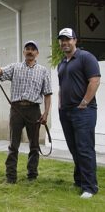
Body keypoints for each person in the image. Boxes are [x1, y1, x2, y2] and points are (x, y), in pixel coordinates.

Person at [0, 41, 52, 184]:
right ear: (24, 52)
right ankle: (10, 177)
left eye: (33, 49)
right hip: (16, 109)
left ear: (37, 53)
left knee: (34, 145)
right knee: (13, 144)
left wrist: (46, 113)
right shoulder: (15, 67)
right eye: (27, 49)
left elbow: (48, 94)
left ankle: (32, 175)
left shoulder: (43, 71)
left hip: (34, 110)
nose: (30, 51)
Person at [57, 28, 101, 199]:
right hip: (66, 112)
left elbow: (95, 81)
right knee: (74, 148)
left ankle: (90, 187)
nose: (64, 42)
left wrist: (84, 102)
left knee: (84, 148)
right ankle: (80, 180)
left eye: (68, 39)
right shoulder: (62, 63)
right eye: (62, 40)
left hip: (83, 111)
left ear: (75, 40)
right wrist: (61, 104)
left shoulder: (85, 57)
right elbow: (62, 86)